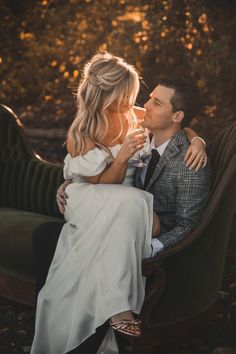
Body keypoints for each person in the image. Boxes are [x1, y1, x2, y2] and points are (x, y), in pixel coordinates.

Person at [31, 52, 208, 354]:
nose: (138, 102)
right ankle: (118, 307)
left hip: (116, 205)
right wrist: (120, 155)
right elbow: (100, 181)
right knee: (135, 203)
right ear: (110, 95)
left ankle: (91, 329)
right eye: (130, 95)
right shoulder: (83, 131)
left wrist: (197, 139)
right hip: (97, 196)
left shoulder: (134, 114)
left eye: (143, 98)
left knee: (128, 216)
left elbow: (179, 122)